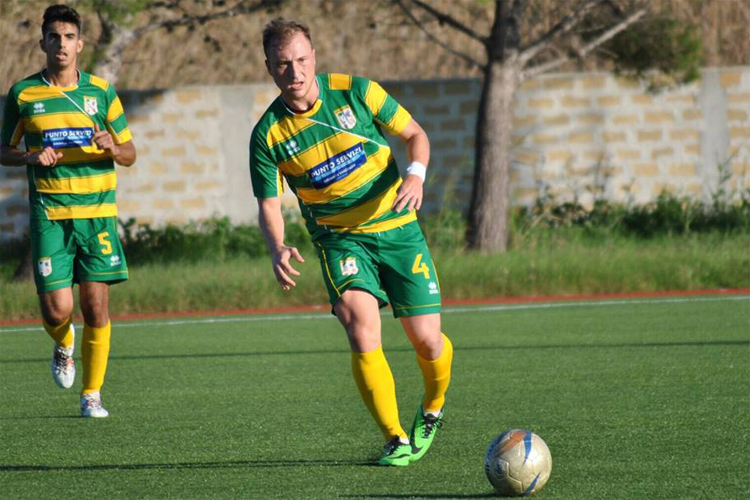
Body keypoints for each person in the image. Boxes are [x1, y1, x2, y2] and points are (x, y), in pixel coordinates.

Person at [249, 18, 453, 466]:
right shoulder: (268, 134)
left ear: (314, 57)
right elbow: (269, 204)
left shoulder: (358, 91)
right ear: (269, 68)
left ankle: (433, 407)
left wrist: (415, 176)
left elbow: (415, 135)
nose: (295, 72)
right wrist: (277, 246)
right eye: (283, 64)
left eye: (301, 60)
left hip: (397, 228)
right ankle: (395, 438)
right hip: (340, 239)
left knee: (428, 341)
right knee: (360, 326)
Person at [0, 4, 136, 418]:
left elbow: (130, 153)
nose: (61, 43)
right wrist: (30, 157)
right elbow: (4, 150)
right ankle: (63, 343)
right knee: (57, 310)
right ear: (43, 42)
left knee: (96, 309)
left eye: (69, 37)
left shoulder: (101, 92)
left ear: (81, 44)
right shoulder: (24, 94)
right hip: (50, 215)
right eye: (54, 36)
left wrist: (113, 146)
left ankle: (91, 394)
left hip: (97, 215)